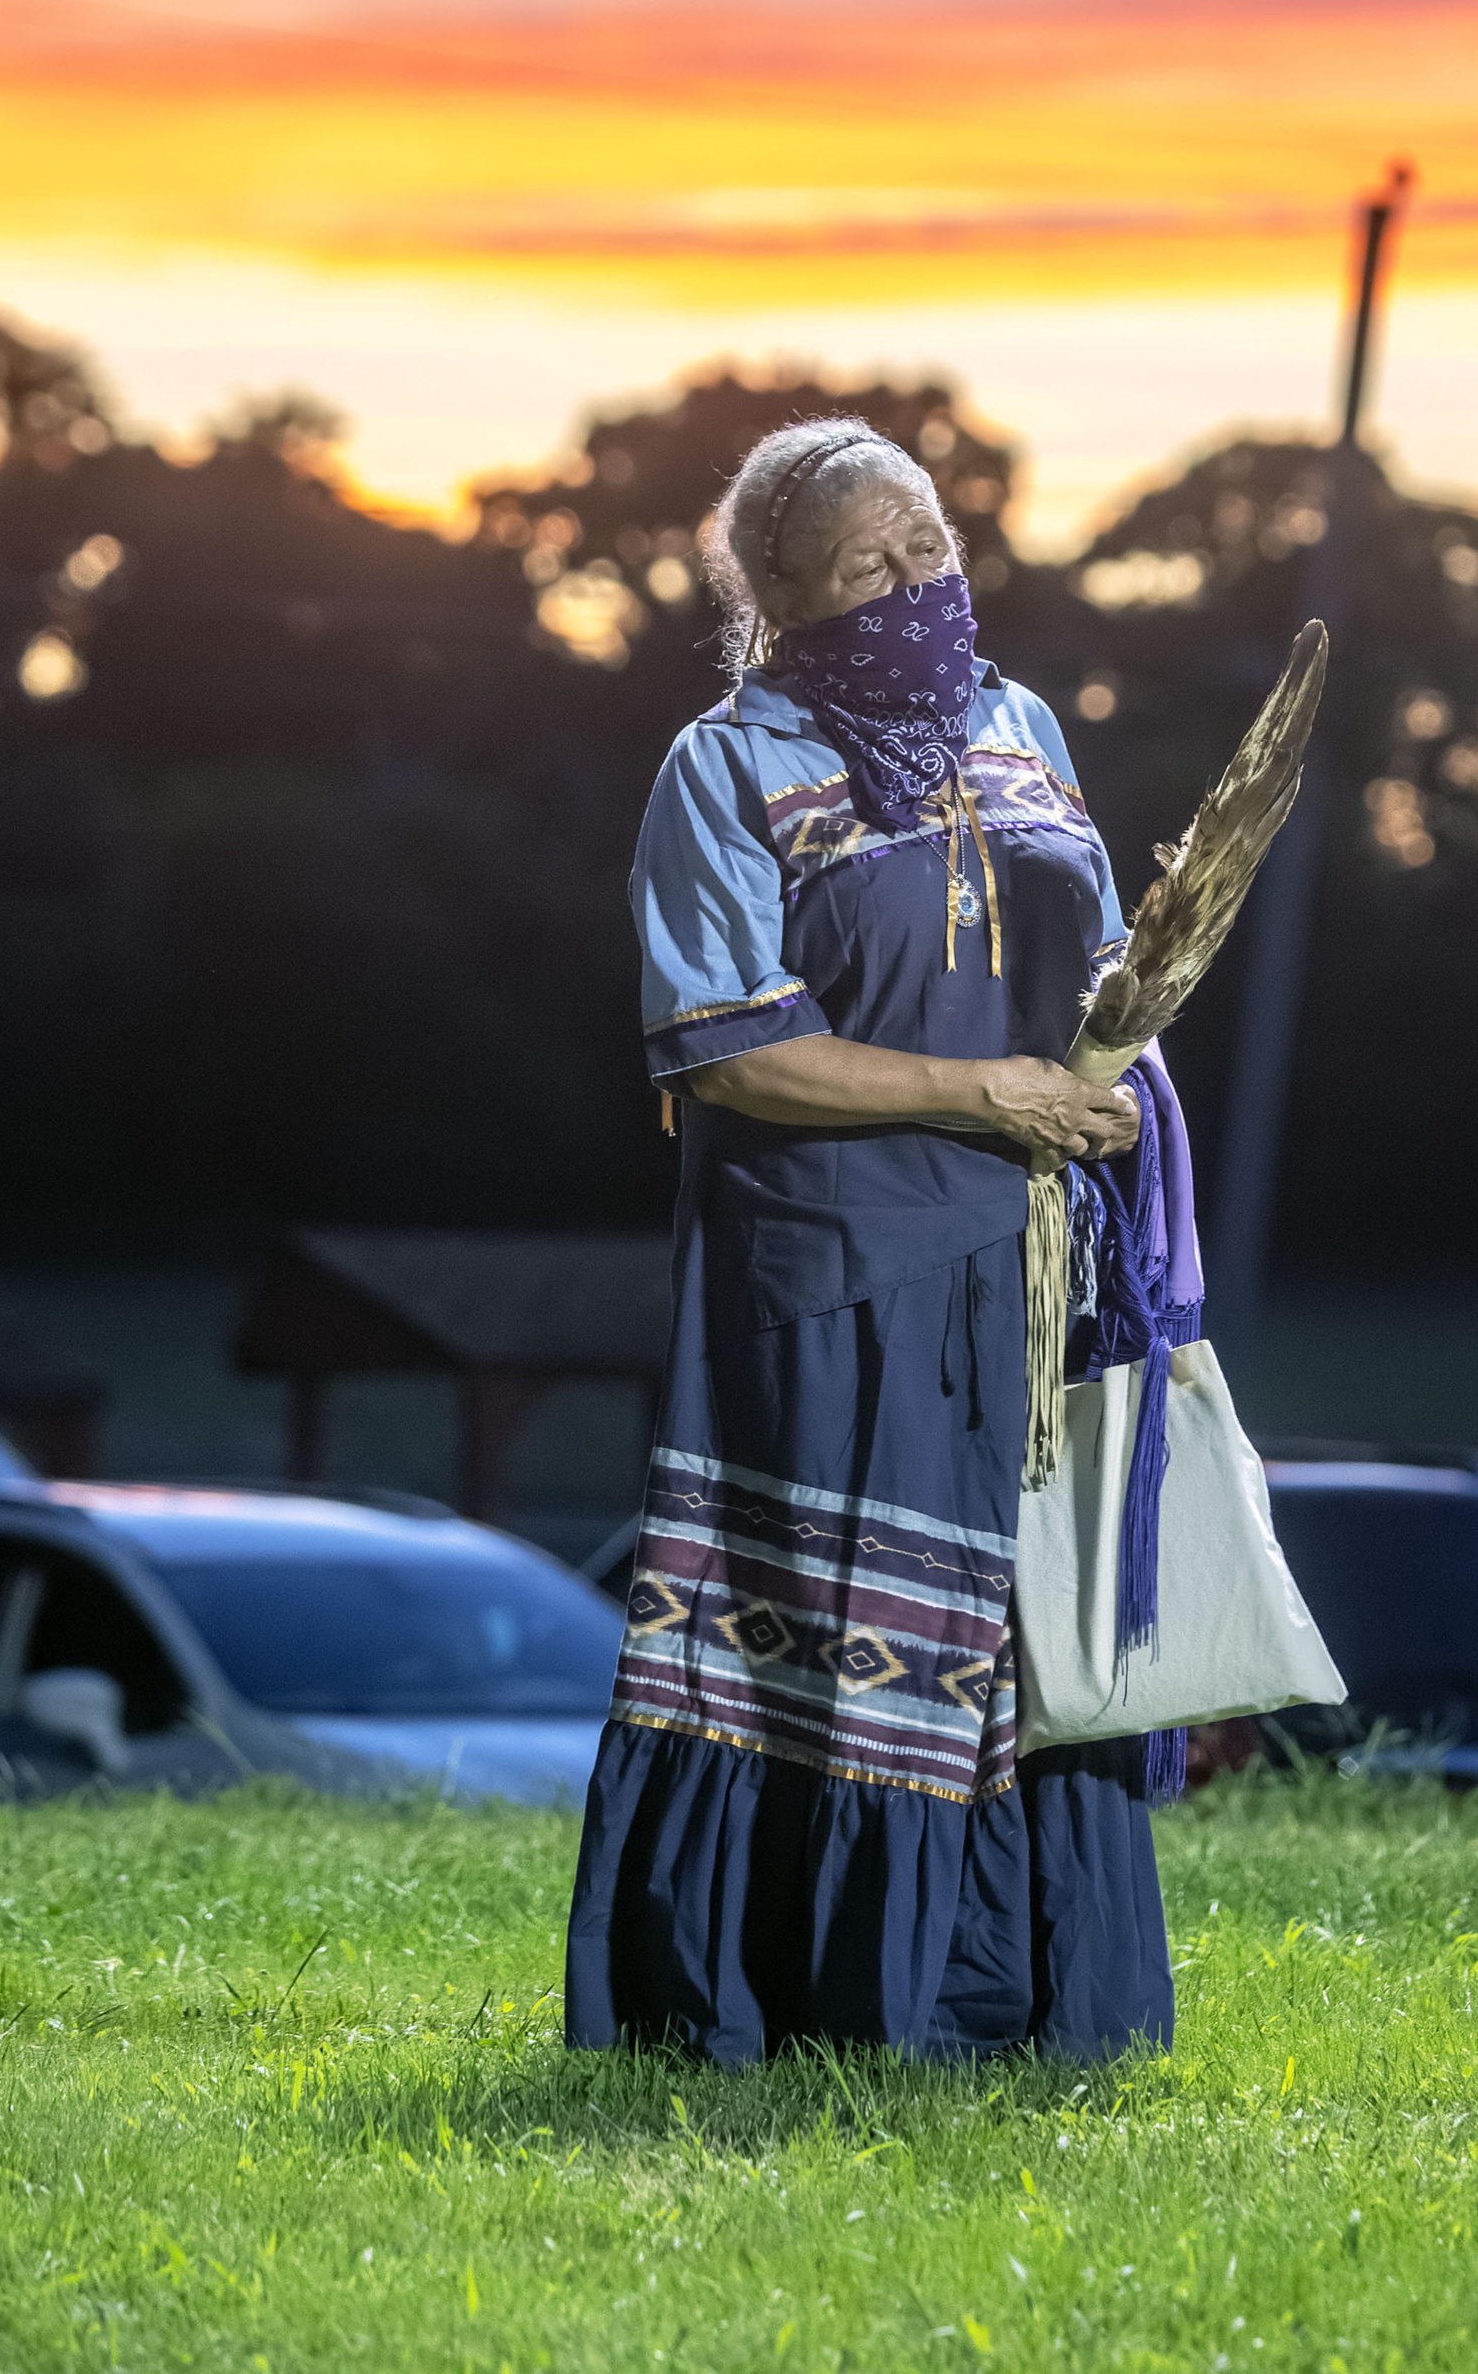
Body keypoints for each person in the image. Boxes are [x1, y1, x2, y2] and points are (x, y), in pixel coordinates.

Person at [565, 418, 1200, 2064]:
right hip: (831, 1270)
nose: (917, 584)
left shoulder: (1023, 725)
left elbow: (1105, 974)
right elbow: (725, 1046)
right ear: (779, 592)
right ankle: (831, 2006)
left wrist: (1124, 1086)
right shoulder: (730, 762)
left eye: (930, 546)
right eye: (869, 564)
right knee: (849, 1632)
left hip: (1032, 1258)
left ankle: (1033, 2005)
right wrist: (981, 1088)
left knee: (1018, 1629)